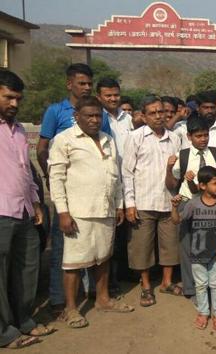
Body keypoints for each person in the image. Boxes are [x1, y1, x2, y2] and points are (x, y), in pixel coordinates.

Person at [48, 96, 134, 328]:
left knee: (103, 257)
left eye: (98, 115)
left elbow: (115, 177)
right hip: (78, 213)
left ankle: (103, 299)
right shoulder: (64, 140)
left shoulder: (107, 139)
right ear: (77, 117)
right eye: (90, 116)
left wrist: (118, 205)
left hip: (105, 209)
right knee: (74, 263)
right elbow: (56, 178)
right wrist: (63, 212)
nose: (95, 120)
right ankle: (71, 308)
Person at [36, 63, 109, 316]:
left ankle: (98, 297)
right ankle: (61, 302)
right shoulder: (57, 113)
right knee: (65, 254)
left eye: (90, 83)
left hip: (100, 203)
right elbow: (43, 148)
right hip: (72, 199)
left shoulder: (103, 123)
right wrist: (59, 196)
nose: (86, 87)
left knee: (100, 254)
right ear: (69, 84)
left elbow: (108, 161)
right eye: (82, 83)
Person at [0, 70, 49, 349]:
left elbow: (25, 171)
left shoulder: (17, 130)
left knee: (27, 268)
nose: (14, 104)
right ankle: (4, 332)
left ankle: (23, 321)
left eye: (18, 98)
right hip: (1, 211)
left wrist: (36, 202)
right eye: (8, 97)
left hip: (24, 210)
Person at [122, 95, 182, 307]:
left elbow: (178, 171)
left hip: (168, 201)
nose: (158, 116)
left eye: (161, 112)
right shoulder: (135, 137)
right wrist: (129, 203)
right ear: (143, 116)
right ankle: (146, 285)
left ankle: (166, 282)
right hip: (143, 201)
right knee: (142, 247)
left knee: (170, 245)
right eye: (153, 113)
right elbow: (127, 172)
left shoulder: (175, 138)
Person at [165, 116, 216, 297]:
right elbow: (173, 183)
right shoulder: (184, 155)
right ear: (189, 137)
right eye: (198, 136)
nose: (203, 139)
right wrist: (169, 169)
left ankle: (210, 288)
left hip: (210, 205)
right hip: (188, 203)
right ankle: (191, 289)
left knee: (209, 247)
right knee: (187, 247)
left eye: (205, 135)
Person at [171, 166, 216, 331]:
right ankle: (203, 312)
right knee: (200, 285)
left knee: (215, 284)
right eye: (215, 183)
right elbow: (177, 221)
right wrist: (175, 207)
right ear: (203, 186)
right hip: (197, 253)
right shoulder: (193, 204)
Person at [95, 78, 134, 292]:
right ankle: (101, 284)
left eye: (116, 95)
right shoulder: (95, 118)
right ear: (99, 96)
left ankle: (118, 276)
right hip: (104, 182)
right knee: (103, 236)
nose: (112, 99)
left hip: (124, 180)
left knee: (121, 233)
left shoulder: (127, 118)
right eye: (108, 95)